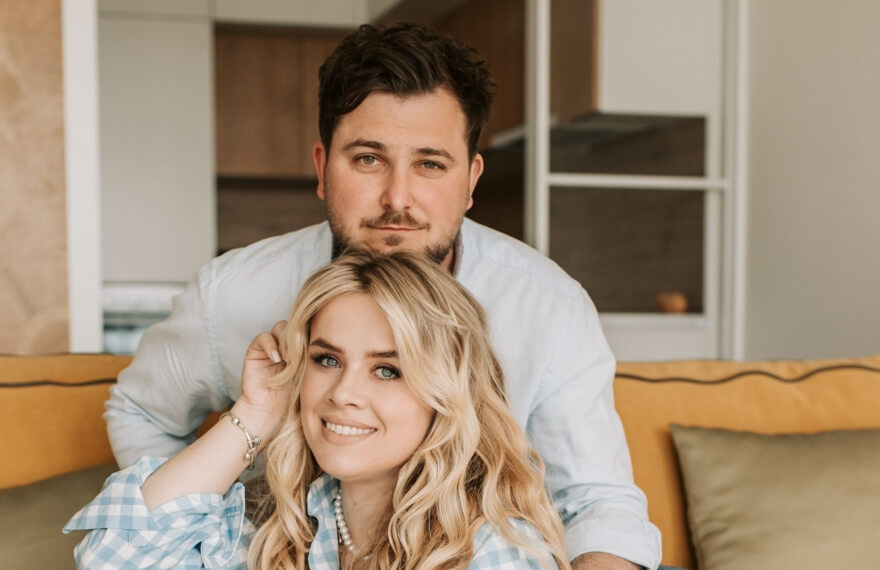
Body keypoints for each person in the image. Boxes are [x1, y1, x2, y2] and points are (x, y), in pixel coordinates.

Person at [104, 23, 661, 569]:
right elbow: (139, 417)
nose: (398, 198)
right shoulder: (230, 294)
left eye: (430, 164)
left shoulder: (548, 306)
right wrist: (225, 519)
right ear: (323, 169)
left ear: (470, 180)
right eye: (368, 159)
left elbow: (598, 501)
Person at [67, 250, 569, 569]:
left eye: (388, 369)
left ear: (447, 394)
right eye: (327, 359)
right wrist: (259, 408)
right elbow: (115, 560)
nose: (342, 392)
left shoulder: (492, 554)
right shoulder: (287, 526)